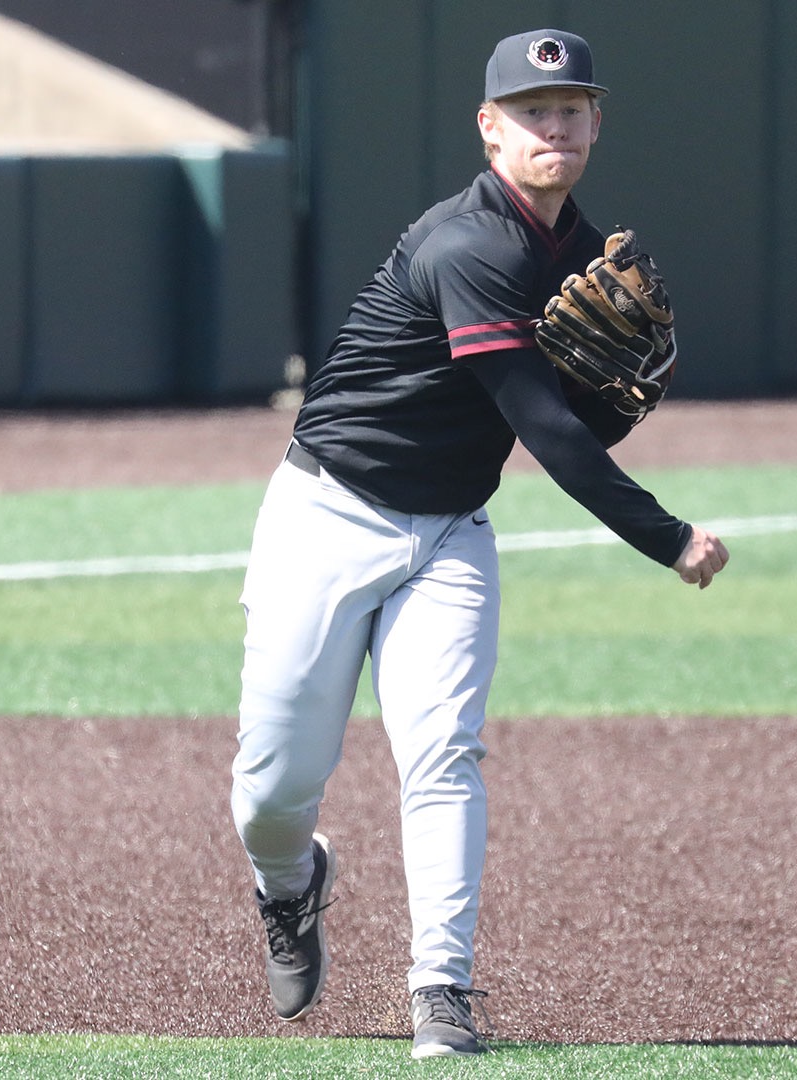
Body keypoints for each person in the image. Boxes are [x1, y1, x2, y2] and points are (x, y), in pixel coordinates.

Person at [228, 28, 729, 1060]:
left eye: (572, 108)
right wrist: (666, 537)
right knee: (273, 787)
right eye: (533, 111)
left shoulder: (587, 256)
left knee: (445, 755)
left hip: (450, 531)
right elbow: (544, 432)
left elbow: (577, 420)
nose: (556, 125)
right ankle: (292, 884)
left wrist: (613, 411)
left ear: (595, 124)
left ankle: (441, 988)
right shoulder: (468, 244)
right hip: (327, 518)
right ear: (490, 128)